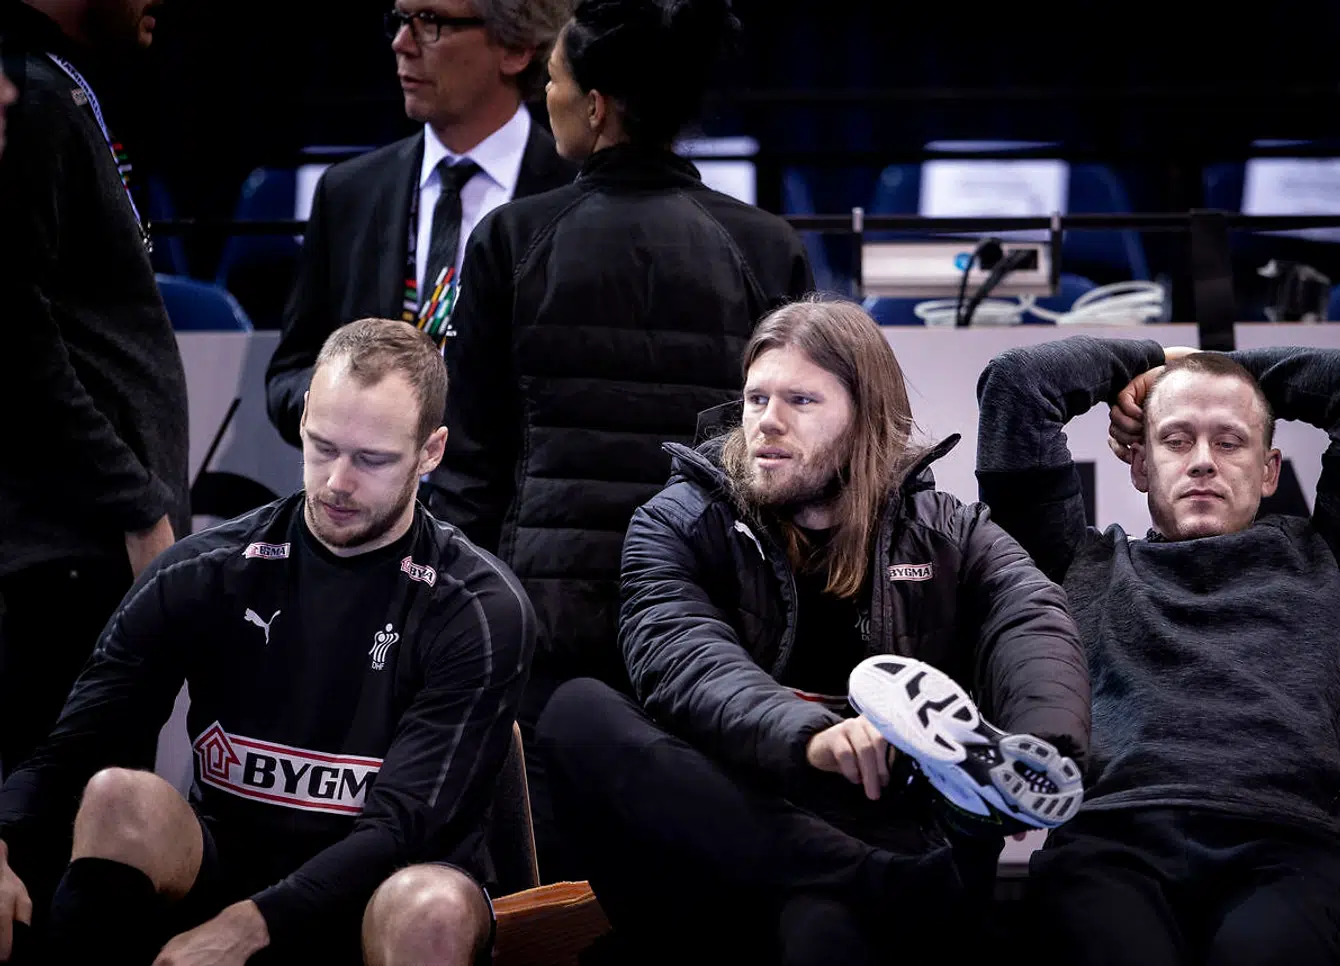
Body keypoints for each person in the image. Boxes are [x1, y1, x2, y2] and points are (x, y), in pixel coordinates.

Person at [536, 299, 1090, 964]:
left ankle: (864, 875)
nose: (768, 421)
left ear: (864, 417)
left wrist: (1035, 749)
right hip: (731, 818)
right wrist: (813, 738)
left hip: (884, 818)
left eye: (800, 400)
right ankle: (864, 878)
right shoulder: (677, 521)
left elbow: (1032, 617)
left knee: (823, 932)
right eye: (756, 398)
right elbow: (683, 659)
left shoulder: (948, 530)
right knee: (576, 713)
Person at [0, 319, 535, 966]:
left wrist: (247, 928)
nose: (338, 481)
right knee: (119, 797)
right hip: (232, 867)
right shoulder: (207, 569)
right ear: (304, 413)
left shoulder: (476, 606)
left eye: (372, 459)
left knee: (431, 907)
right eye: (322, 446)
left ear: (431, 451)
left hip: (383, 894)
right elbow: (76, 745)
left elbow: (400, 830)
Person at [426, 0, 814, 882]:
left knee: (558, 904)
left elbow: (469, 467)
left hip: (543, 643)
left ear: (596, 106)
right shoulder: (764, 245)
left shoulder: (511, 240)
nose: (547, 100)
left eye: (554, 84)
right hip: (712, 637)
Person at [974, 335, 1340, 966]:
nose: (1203, 461)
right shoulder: (1076, 564)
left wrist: (1199, 369)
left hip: (1285, 847)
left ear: (1269, 471)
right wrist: (1144, 363)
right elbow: (1018, 386)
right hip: (1111, 842)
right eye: (1177, 441)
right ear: (1140, 465)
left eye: (1231, 441)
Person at [0, 0, 188, 780]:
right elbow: (15, 340)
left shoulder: (54, 88)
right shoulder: (29, 101)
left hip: (82, 546)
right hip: (68, 554)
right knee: (72, 829)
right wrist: (136, 504)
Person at [264, 0, 577, 446]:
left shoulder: (577, 196)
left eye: (431, 22)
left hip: (512, 506)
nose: (401, 43)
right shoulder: (350, 192)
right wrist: (341, 411)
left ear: (516, 47)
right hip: (369, 502)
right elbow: (289, 373)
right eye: (399, 19)